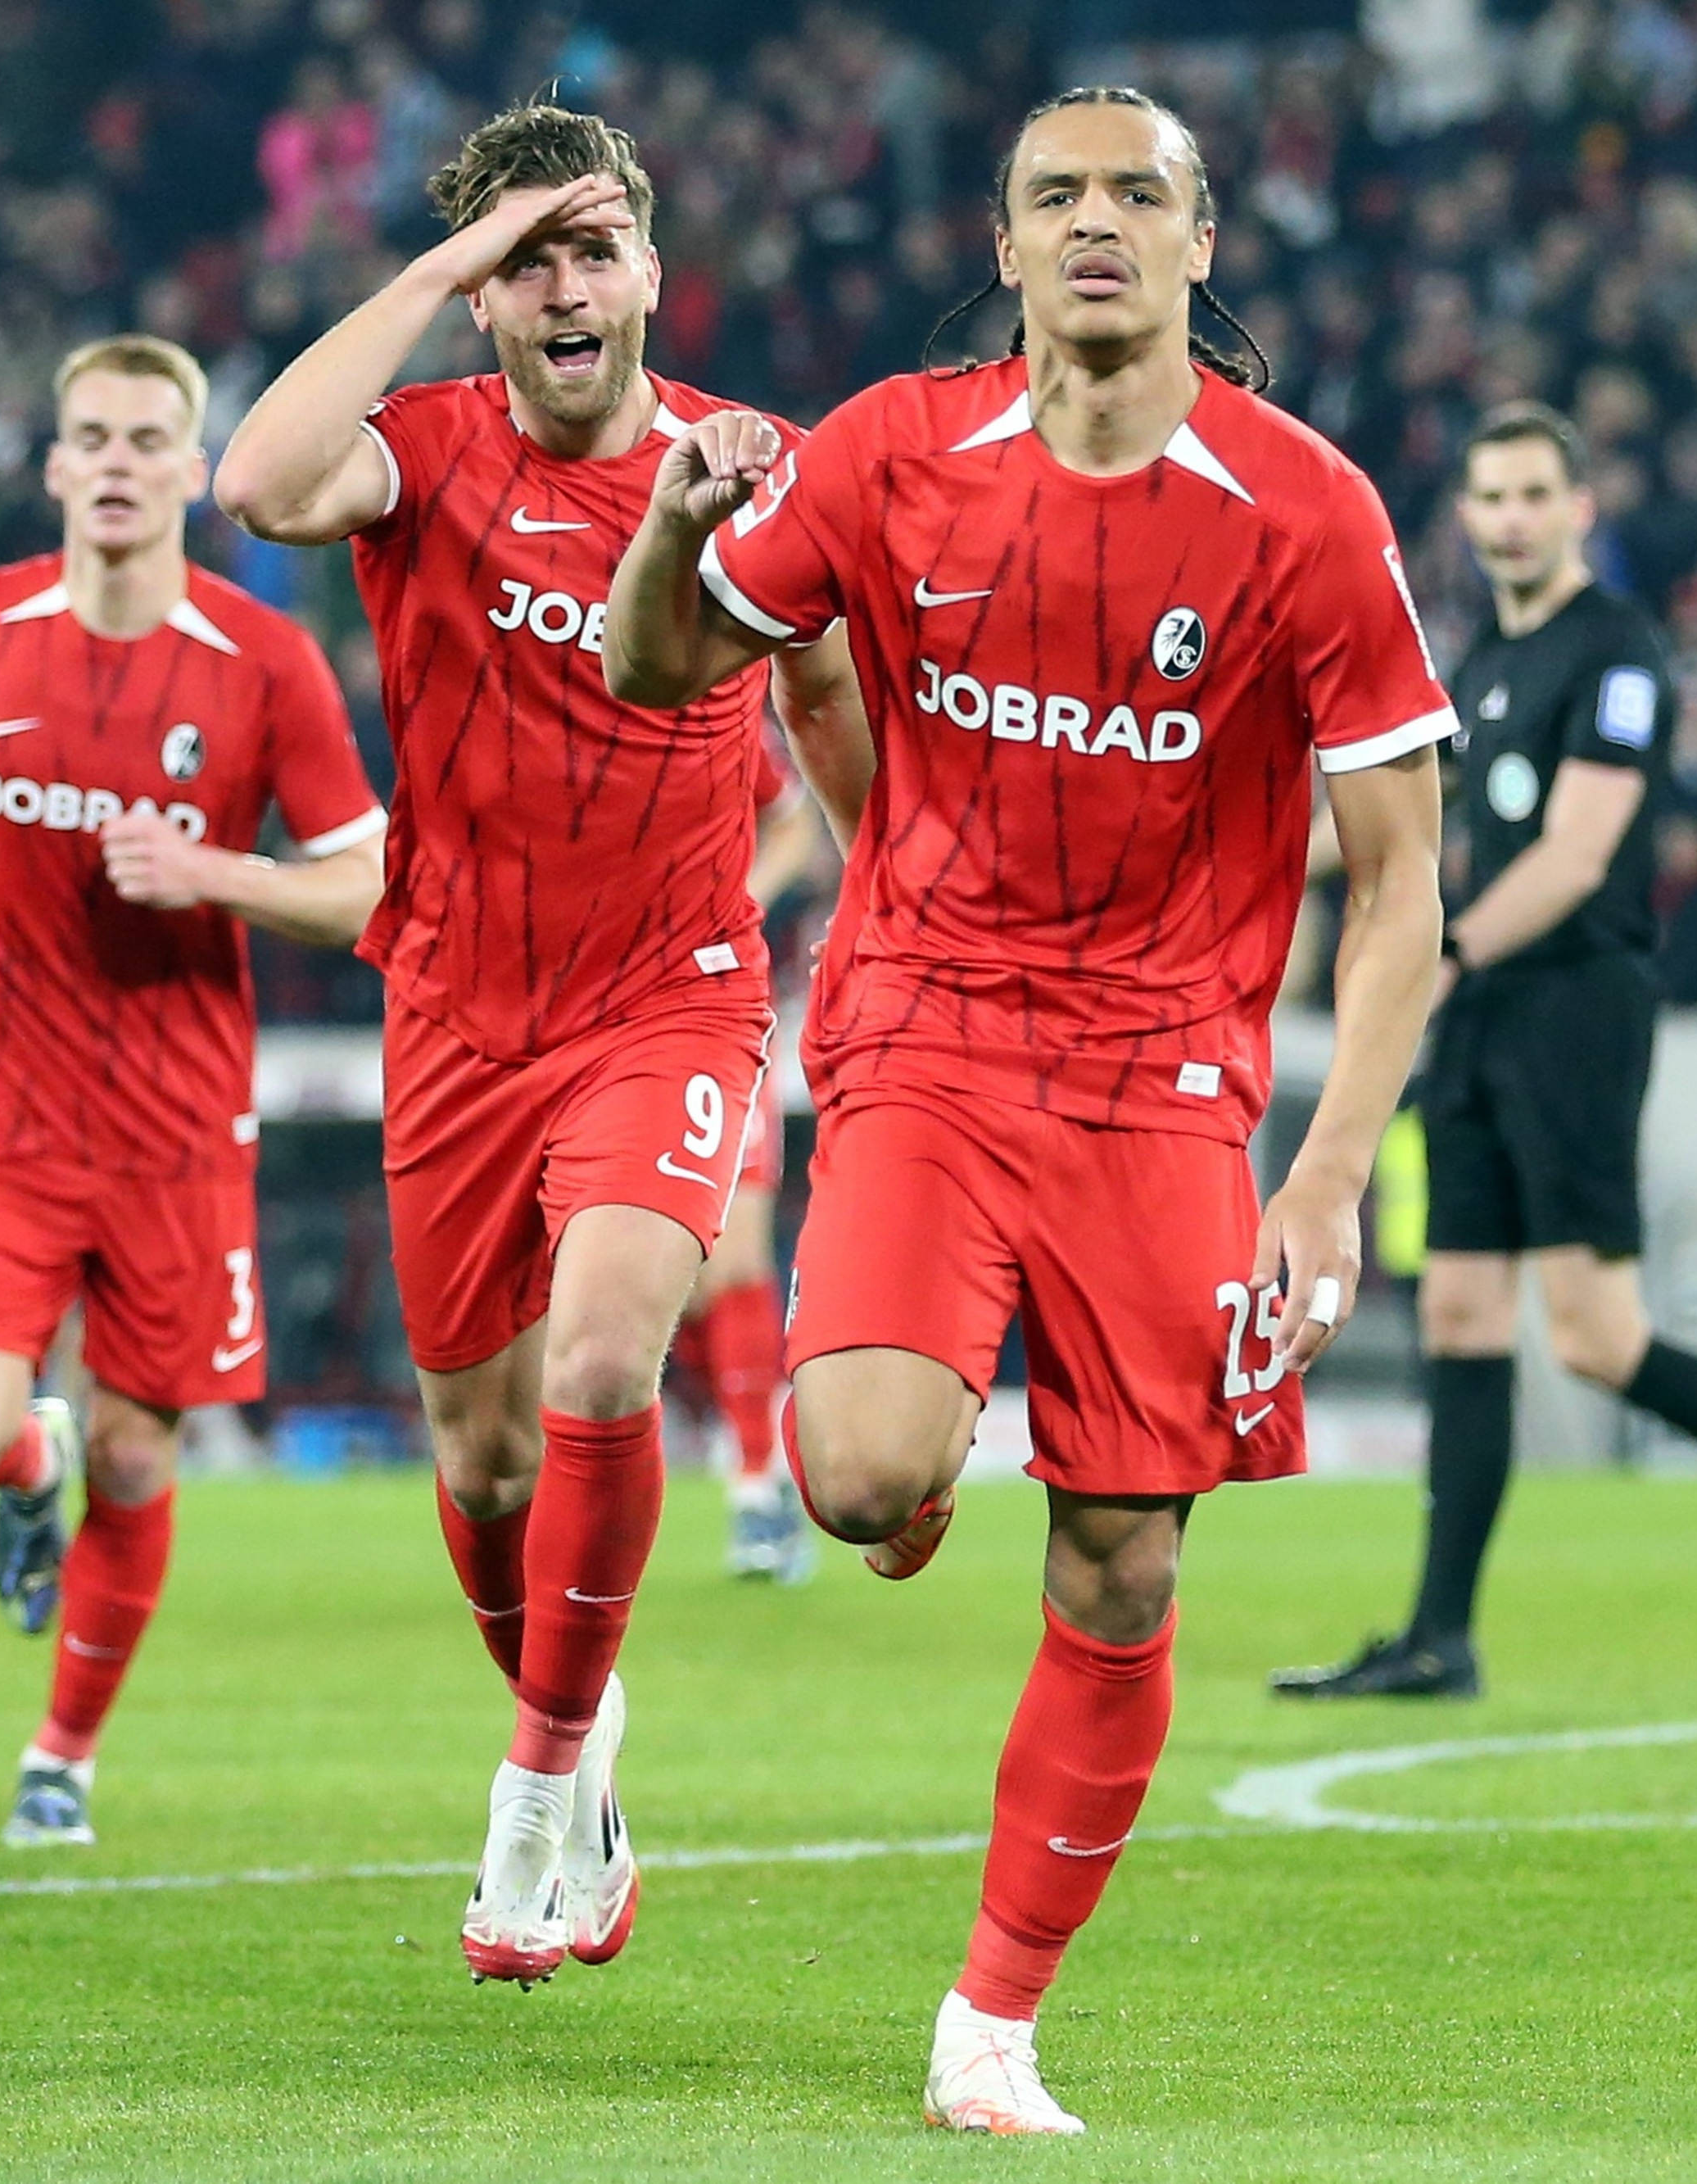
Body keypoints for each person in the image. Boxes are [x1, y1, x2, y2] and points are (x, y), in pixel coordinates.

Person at [604, 86, 1448, 2135]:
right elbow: (655, 669)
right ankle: (890, 1466)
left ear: (1199, 240)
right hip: (925, 1030)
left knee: (1124, 1564)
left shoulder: (1305, 508)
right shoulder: (893, 451)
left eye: (1133, 195)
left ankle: (989, 2018)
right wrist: (668, 524)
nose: (1095, 224)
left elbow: (1404, 872)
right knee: (860, 1472)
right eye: (1055, 195)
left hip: (1168, 1085)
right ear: (1003, 244)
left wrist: (1326, 1174)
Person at [214, 102, 867, 1985]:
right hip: (452, 1006)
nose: (563, 287)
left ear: (652, 270)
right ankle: (586, 1755)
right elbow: (256, 481)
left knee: (601, 1354)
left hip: (665, 989)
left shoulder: (755, 466)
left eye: (592, 248)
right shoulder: (415, 454)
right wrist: (427, 268)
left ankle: (531, 1782)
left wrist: (888, 889)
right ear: (485, 299)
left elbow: (833, 698)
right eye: (525, 261)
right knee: (487, 1461)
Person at [1268, 401, 1697, 1705]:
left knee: (1594, 1333)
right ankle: (1438, 1636)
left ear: (1581, 510)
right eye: (1490, 497)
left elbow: (1577, 855)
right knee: (1459, 1310)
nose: (1511, 518)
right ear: (1465, 517)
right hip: (1478, 1015)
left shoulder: (1617, 654)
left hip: (1575, 1006)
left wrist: (1440, 959)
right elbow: (1401, 824)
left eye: (1534, 495)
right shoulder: (1479, 658)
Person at [0, 334, 384, 1849]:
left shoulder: (263, 665)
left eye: (153, 437)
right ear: (58, 465)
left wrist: (209, 873)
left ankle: (61, 1756)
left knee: (145, 1450)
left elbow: (363, 886)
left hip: (177, 1129)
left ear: (196, 471)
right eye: (97, 436)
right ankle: (30, 1456)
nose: (123, 461)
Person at [672, 745, 838, 1583]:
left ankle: (755, 1484)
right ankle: (734, 1438)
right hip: (593, 1010)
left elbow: (795, 817)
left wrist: (740, 899)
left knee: (735, 1254)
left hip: (718, 1007)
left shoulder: (715, 704)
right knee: (684, 1281)